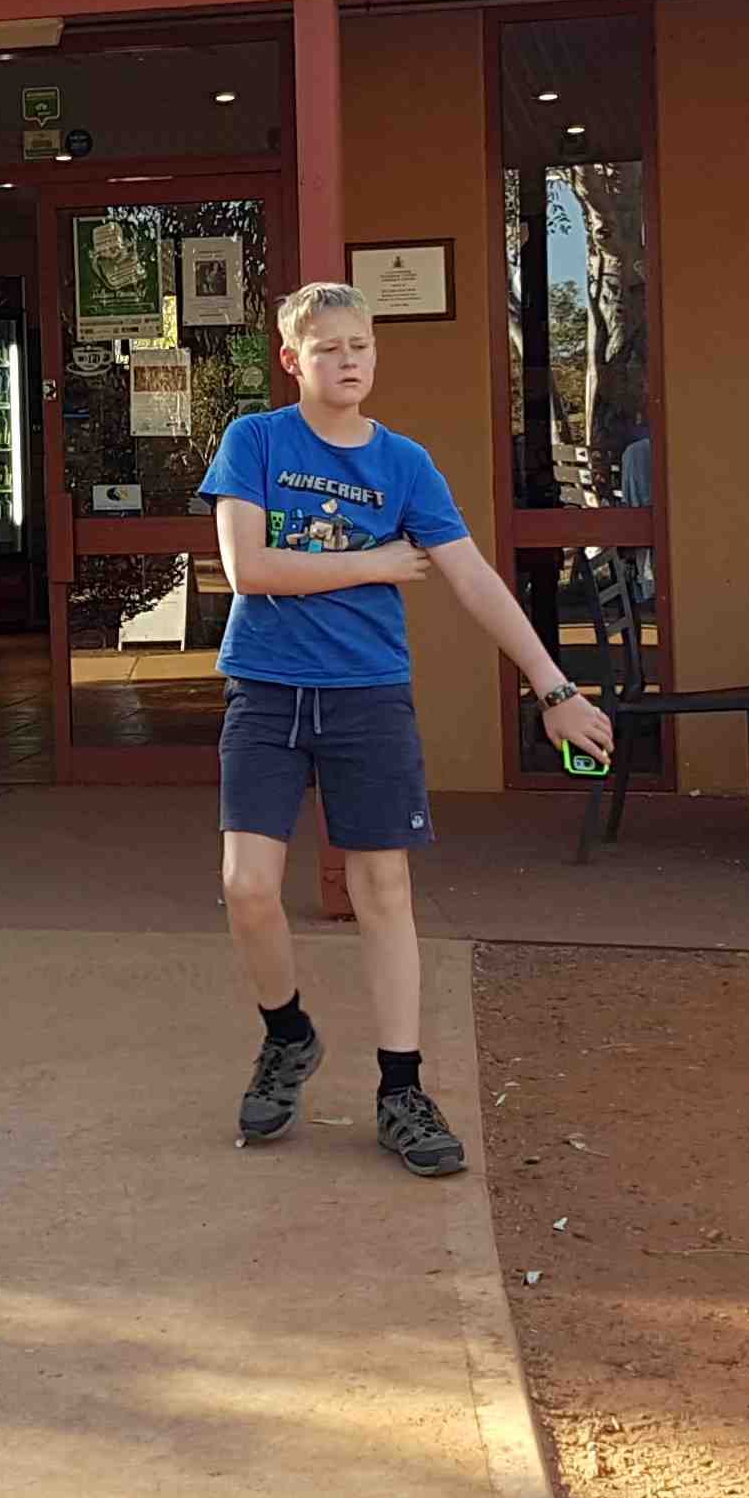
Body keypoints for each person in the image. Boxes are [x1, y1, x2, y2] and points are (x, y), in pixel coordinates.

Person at [202, 281, 616, 1176]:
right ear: (294, 361)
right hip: (266, 693)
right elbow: (248, 569)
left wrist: (554, 690)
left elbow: (472, 579)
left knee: (383, 889)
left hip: (368, 697)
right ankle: (288, 1035)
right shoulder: (256, 441)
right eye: (328, 349)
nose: (348, 361)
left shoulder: (406, 464)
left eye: (361, 346)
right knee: (247, 886)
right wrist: (375, 563)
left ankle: (401, 1089)